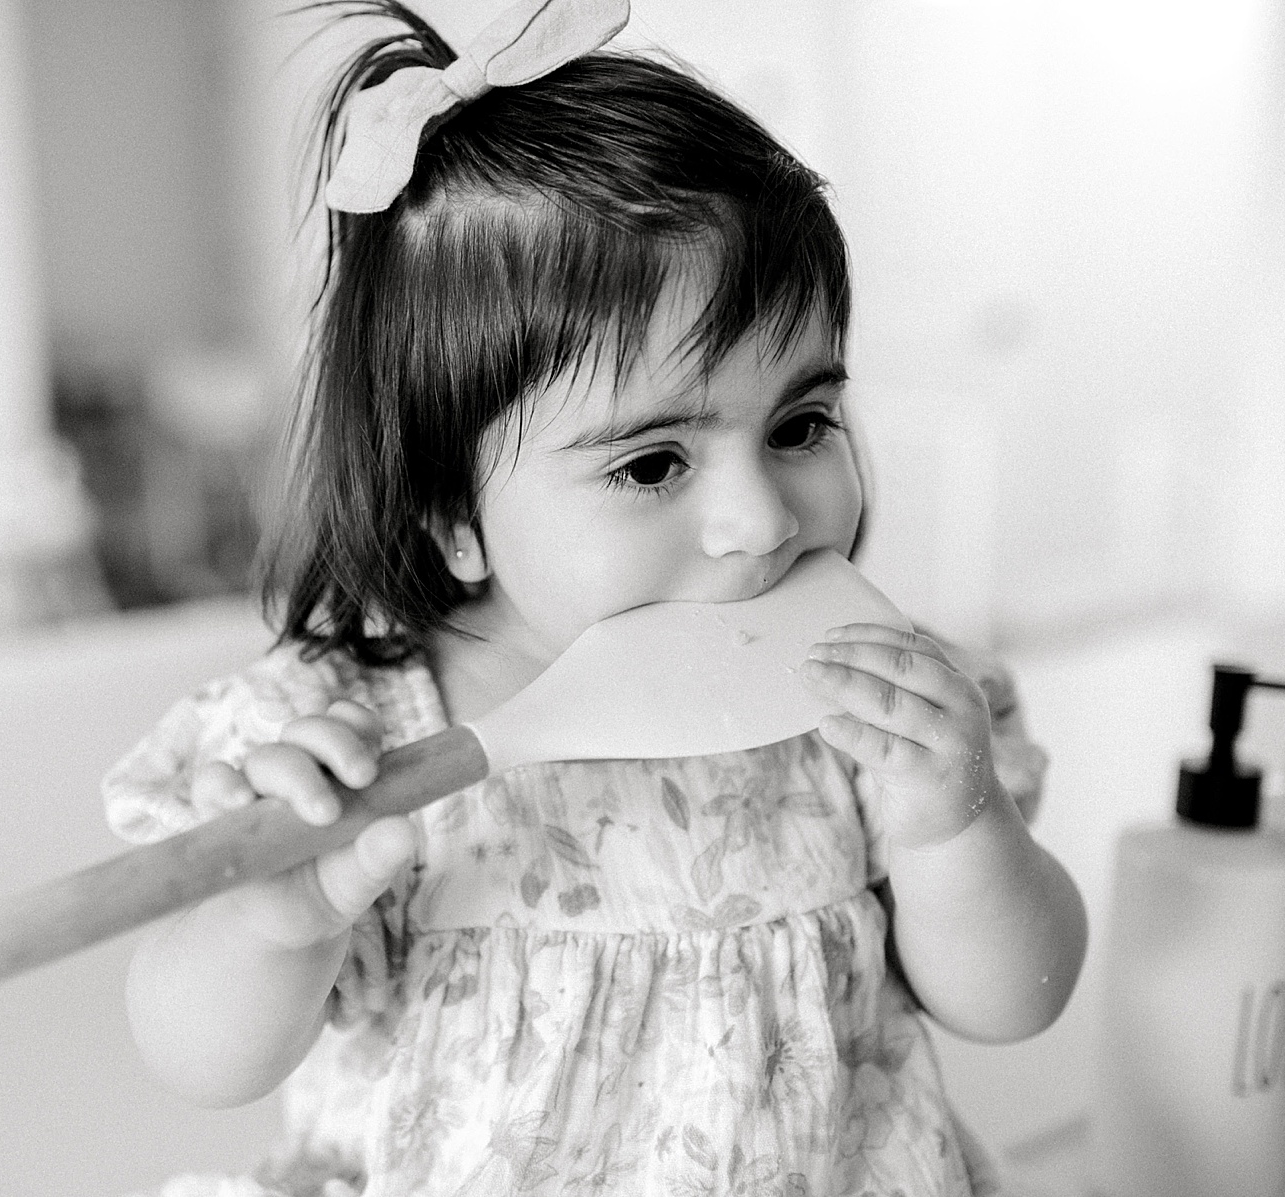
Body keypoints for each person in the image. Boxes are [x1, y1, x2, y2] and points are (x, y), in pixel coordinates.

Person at [103, 1, 1086, 1193]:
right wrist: (272, 920)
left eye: (801, 425)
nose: (764, 520)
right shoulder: (349, 747)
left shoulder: (872, 703)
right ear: (448, 516)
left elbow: (1015, 1003)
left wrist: (961, 828)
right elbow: (199, 1060)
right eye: (651, 464)